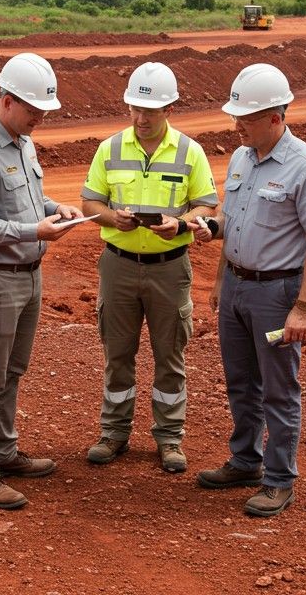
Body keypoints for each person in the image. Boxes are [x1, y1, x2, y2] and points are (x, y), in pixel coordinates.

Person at [198, 63, 306, 518]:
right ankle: (245, 461)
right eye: (237, 116)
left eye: (247, 118)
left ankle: (279, 480)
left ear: (276, 117)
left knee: (279, 389)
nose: (237, 125)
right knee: (240, 382)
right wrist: (216, 257)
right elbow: (231, 223)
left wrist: (303, 308)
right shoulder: (241, 157)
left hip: (277, 297)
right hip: (236, 289)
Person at [0, 52, 85, 510]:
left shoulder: (21, 141)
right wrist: (34, 231)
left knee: (13, 370)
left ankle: (4, 453)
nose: (39, 120)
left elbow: (24, 198)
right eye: (34, 112)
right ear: (7, 101)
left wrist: (54, 208)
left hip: (28, 277)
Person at [80, 62, 217, 473]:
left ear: (169, 108)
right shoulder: (110, 148)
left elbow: (208, 205)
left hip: (169, 268)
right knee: (117, 354)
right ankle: (114, 434)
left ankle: (169, 438)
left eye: (150, 111)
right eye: (134, 109)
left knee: (169, 356)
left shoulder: (191, 151)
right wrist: (109, 218)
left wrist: (180, 224)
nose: (140, 119)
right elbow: (90, 203)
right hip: (118, 266)